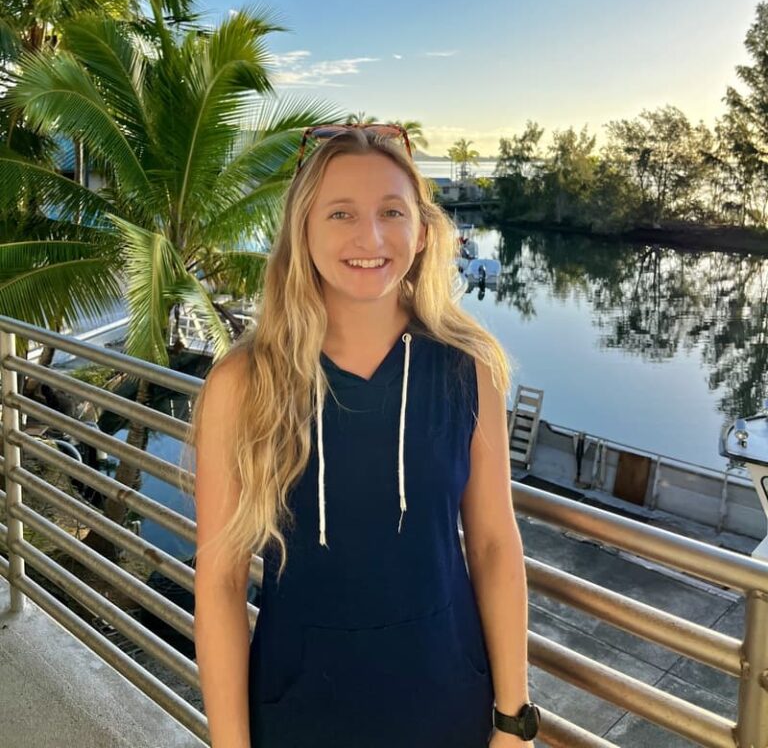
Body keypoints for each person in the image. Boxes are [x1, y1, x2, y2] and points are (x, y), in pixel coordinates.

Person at [191, 124, 539, 748]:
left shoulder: (469, 370)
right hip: (296, 713)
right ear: (302, 229)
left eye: (391, 212)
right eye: (341, 213)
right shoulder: (244, 383)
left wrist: (514, 720)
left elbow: (492, 544)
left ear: (423, 231)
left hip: (448, 706)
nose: (369, 237)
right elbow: (218, 580)